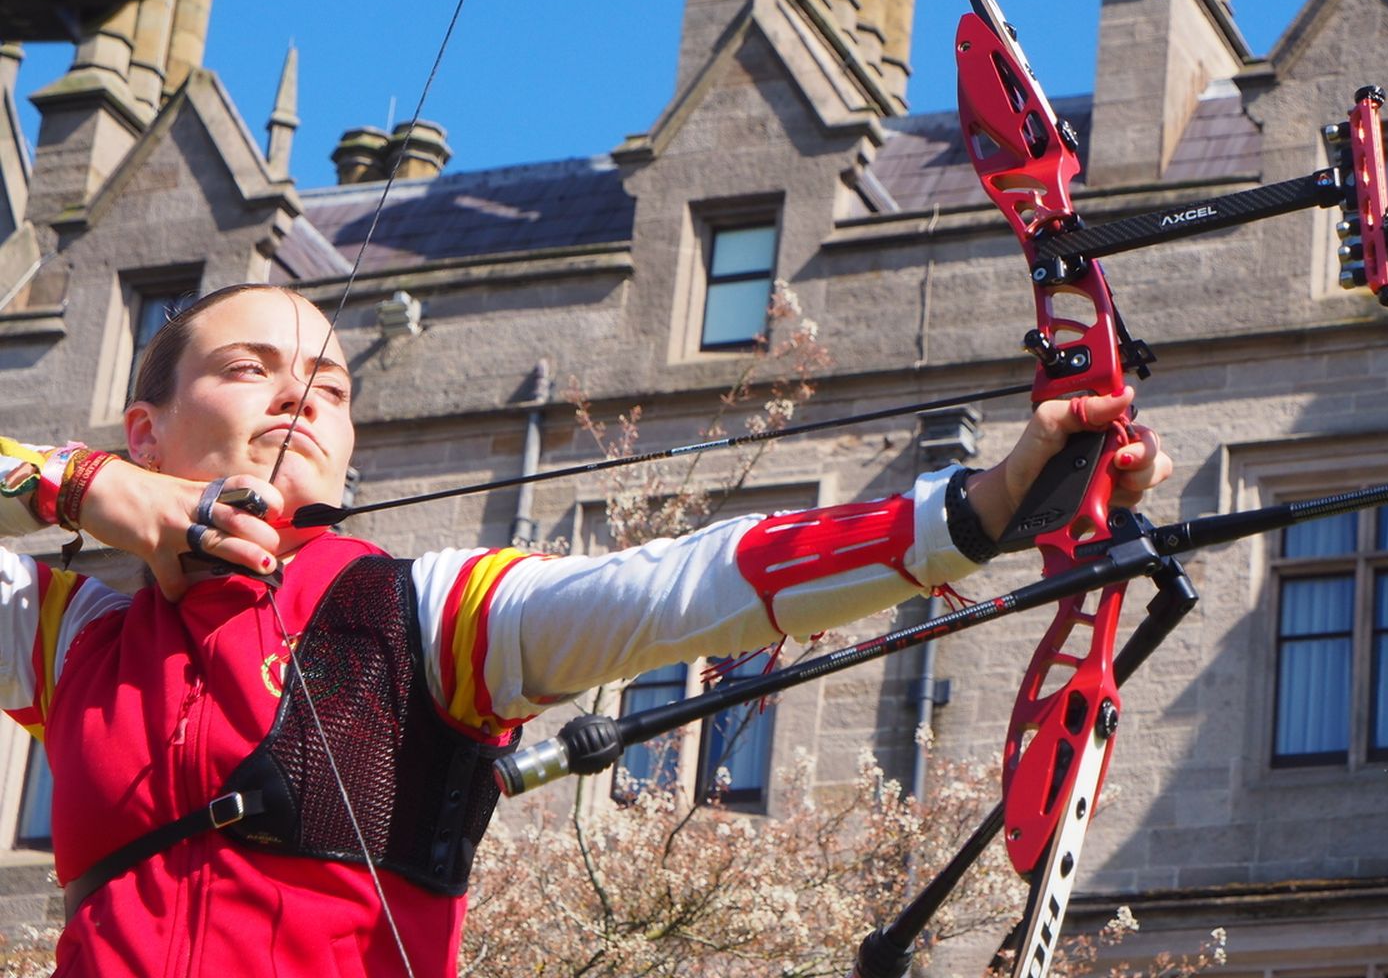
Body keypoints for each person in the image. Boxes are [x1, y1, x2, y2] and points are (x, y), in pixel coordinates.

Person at [0, 283, 1170, 977]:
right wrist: (79, 487)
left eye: (334, 386)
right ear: (146, 429)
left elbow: (688, 583)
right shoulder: (74, 641)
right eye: (249, 370)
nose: (300, 398)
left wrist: (977, 507)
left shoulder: (414, 613)